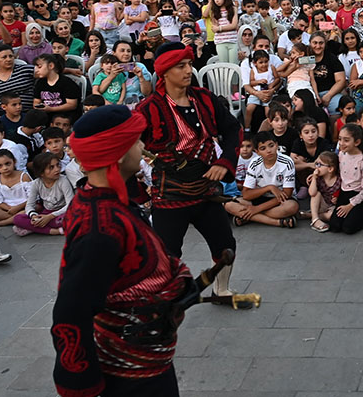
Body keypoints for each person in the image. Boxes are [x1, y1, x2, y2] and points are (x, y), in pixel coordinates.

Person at [51, 106, 195, 397]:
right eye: (136, 140)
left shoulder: (111, 200)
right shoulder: (99, 228)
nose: (143, 146)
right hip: (128, 375)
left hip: (147, 361)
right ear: (116, 153)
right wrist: (83, 385)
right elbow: (71, 308)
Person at [135, 42, 244, 305]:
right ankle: (163, 303)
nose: (188, 70)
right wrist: (139, 181)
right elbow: (130, 145)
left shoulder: (205, 98)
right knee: (167, 254)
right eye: (180, 66)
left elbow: (232, 130)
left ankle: (221, 290)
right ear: (164, 72)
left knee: (225, 245)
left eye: (188, 64)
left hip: (207, 189)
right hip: (169, 194)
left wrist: (225, 162)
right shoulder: (148, 108)